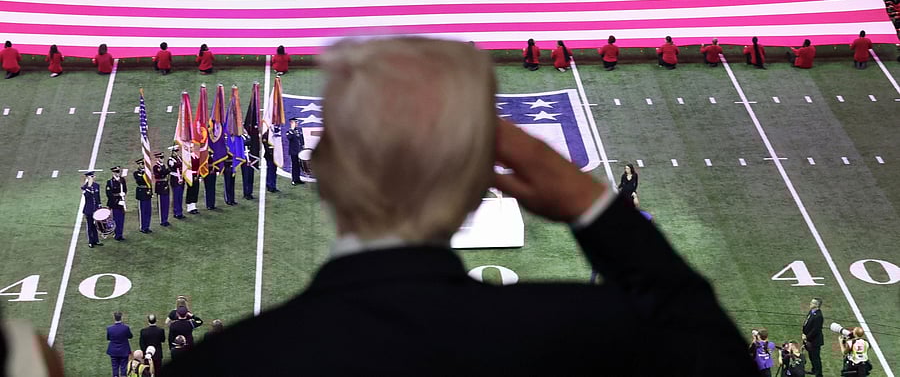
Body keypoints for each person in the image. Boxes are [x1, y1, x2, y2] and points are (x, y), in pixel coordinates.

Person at [164, 37, 758, 376]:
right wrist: (587, 200)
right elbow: (711, 350)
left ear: (323, 168)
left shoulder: (222, 365)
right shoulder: (584, 330)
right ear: (482, 184)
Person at [802, 297, 824, 377]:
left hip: (815, 341)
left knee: (815, 357)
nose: (810, 304)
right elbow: (807, 322)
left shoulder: (819, 316)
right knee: (811, 356)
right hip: (809, 339)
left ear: (817, 305)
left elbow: (816, 330)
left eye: (812, 303)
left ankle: (819, 374)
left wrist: (806, 337)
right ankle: (814, 370)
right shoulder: (811, 312)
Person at [107, 312, 133, 377]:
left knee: (115, 367)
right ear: (121, 317)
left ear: (114, 318)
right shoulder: (125, 328)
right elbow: (130, 336)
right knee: (124, 367)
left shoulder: (109, 328)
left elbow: (108, 338)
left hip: (113, 351)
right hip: (124, 350)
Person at [82, 171, 103, 248]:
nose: (92, 178)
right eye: (91, 177)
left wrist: (100, 205)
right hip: (89, 209)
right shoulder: (84, 187)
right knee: (90, 226)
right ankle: (90, 241)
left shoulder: (97, 185)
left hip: (96, 208)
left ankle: (96, 240)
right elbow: (86, 196)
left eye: (93, 177)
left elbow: (98, 196)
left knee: (96, 225)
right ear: (87, 178)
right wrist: (88, 187)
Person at [106, 166, 127, 241]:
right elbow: (109, 194)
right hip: (115, 203)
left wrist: (123, 194)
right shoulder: (110, 182)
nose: (118, 173)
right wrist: (118, 201)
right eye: (116, 172)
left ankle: (120, 234)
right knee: (116, 219)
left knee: (121, 219)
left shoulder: (122, 180)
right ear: (113, 173)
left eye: (119, 172)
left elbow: (125, 189)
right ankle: (116, 235)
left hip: (122, 202)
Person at [134, 159, 153, 234]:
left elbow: (150, 182)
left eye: (143, 164)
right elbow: (140, 180)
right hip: (141, 193)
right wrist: (145, 174)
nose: (143, 165)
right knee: (142, 211)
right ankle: (143, 227)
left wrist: (151, 191)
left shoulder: (147, 172)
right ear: (139, 165)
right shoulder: (136, 173)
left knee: (148, 211)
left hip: (147, 192)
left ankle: (147, 226)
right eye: (141, 164)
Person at [153, 153, 171, 227]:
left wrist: (169, 168)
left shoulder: (163, 166)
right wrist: (168, 169)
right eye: (161, 157)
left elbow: (164, 173)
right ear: (157, 158)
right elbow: (160, 174)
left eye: (163, 157)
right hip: (160, 186)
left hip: (165, 185)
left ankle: (166, 219)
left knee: (166, 204)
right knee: (161, 205)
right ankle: (162, 220)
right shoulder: (155, 167)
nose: (162, 159)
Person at [167, 148, 185, 219]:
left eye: (177, 151)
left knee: (180, 196)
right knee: (176, 196)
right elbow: (174, 166)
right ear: (172, 152)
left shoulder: (179, 158)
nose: (176, 153)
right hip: (175, 179)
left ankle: (180, 212)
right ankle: (176, 212)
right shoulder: (170, 160)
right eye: (175, 151)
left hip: (181, 178)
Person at [287, 117, 305, 185]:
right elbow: (289, 138)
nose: (297, 123)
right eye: (295, 122)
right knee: (294, 165)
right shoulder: (289, 131)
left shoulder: (299, 129)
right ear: (291, 123)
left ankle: (298, 179)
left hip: (299, 151)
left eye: (297, 122)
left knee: (299, 165)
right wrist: (292, 129)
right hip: (293, 151)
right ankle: (294, 179)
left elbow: (301, 139)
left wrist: (303, 147)